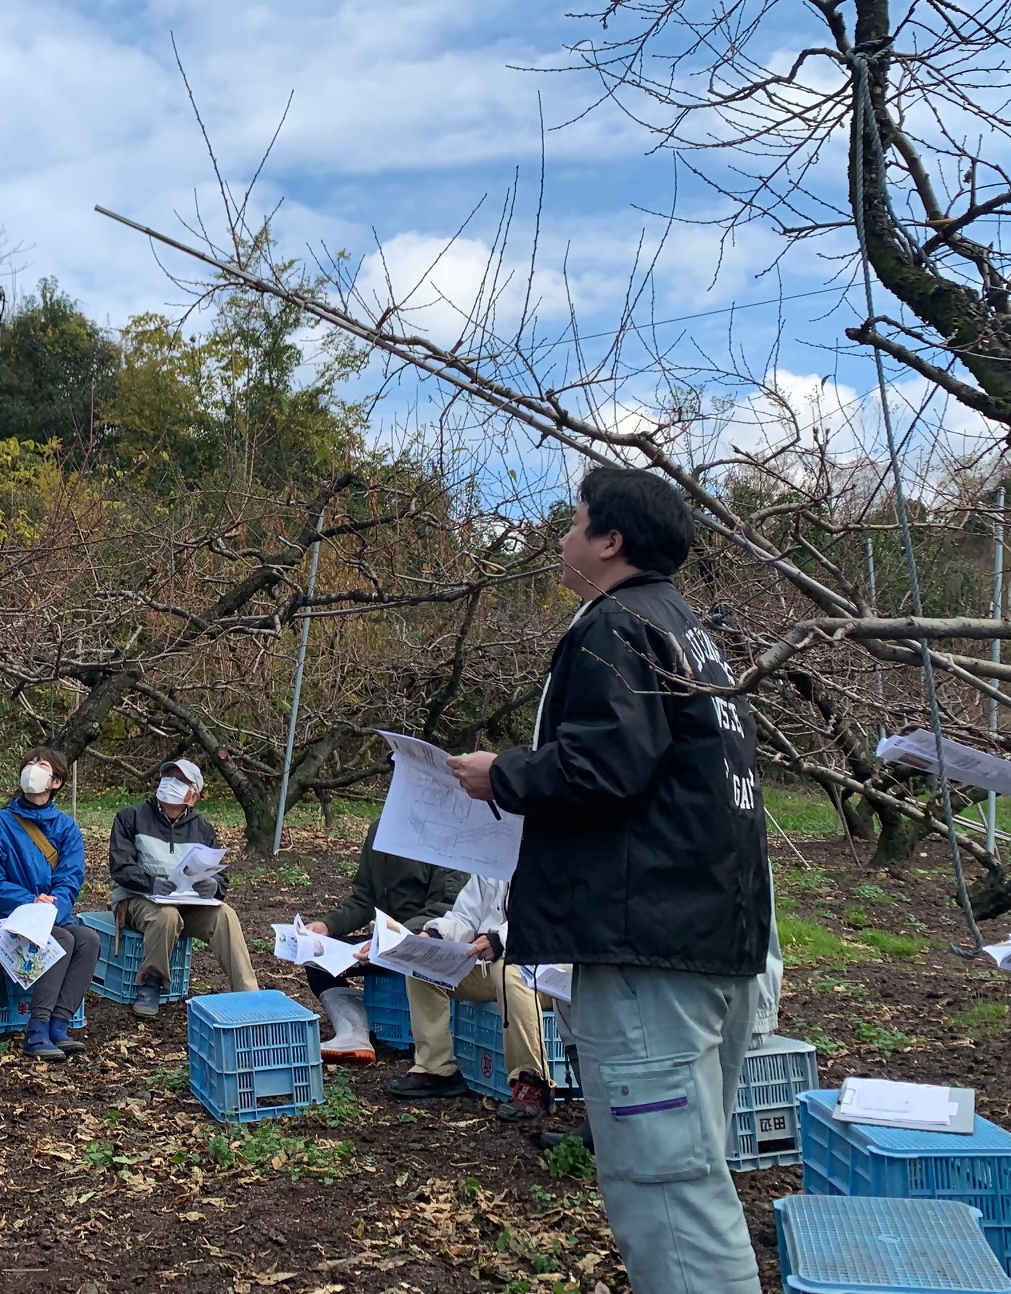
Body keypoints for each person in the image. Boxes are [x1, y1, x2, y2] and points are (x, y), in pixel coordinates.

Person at [446, 468, 770, 1294]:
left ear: (610, 540)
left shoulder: (617, 626)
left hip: (647, 954)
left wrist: (502, 774)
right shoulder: (689, 633)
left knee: (667, 1193)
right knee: (694, 1176)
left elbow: (602, 765)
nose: (560, 537)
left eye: (573, 521)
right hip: (714, 941)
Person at [302, 816, 466, 1066]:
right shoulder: (379, 829)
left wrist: (395, 940)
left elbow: (445, 910)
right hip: (385, 940)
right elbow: (364, 898)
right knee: (316, 956)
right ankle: (353, 1033)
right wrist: (327, 925)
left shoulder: (448, 834)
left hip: (428, 939)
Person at [391, 875, 553, 1120]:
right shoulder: (494, 863)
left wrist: (501, 939)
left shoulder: (556, 858)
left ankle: (533, 1080)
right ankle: (436, 1068)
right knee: (422, 965)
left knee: (509, 970)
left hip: (548, 971)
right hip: (494, 965)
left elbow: (553, 916)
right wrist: (434, 935)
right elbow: (465, 915)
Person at [0, 747, 102, 1061]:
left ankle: (59, 1025)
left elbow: (70, 879)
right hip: (8, 918)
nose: (33, 768)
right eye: (29, 763)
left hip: (53, 916)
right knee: (61, 939)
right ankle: (36, 1030)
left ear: (56, 782)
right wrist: (30, 902)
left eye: (42, 764)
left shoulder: (66, 828)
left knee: (88, 940)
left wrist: (51, 910)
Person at [107, 758, 258, 1015]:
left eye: (180, 781)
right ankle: (150, 983)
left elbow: (220, 875)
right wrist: (151, 884)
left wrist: (214, 886)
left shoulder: (202, 828)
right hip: (139, 900)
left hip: (188, 902)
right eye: (168, 777)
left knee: (225, 915)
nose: (170, 783)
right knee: (166, 916)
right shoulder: (130, 818)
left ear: (193, 796)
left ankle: (248, 994)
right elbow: (120, 867)